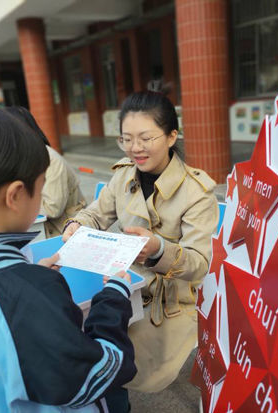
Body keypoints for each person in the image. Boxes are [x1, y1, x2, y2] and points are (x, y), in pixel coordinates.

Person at [0, 107, 137, 412]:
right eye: (40, 188)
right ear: (15, 195)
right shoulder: (26, 293)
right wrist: (114, 298)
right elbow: (96, 374)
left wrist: (29, 280)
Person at [63, 91, 219, 404]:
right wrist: (77, 224)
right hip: (124, 283)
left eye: (146, 138)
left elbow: (200, 264)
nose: (136, 148)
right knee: (76, 338)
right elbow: (97, 212)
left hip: (170, 303)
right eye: (127, 139)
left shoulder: (197, 193)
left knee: (113, 366)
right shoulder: (123, 176)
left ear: (172, 136)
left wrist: (159, 249)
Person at [4, 106, 86, 237]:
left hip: (64, 233)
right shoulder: (21, 158)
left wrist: (16, 202)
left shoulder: (50, 160)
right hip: (41, 229)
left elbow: (52, 209)